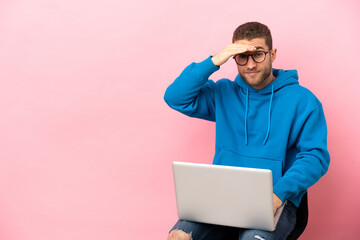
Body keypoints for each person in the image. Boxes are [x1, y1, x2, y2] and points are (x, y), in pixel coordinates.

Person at [164, 22, 330, 240]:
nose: (250, 64)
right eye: (242, 56)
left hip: (276, 197)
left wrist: (278, 194)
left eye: (258, 55)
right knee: (179, 236)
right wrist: (214, 60)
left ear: (273, 54)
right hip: (222, 195)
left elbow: (316, 156)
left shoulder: (303, 100)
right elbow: (175, 97)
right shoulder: (223, 92)